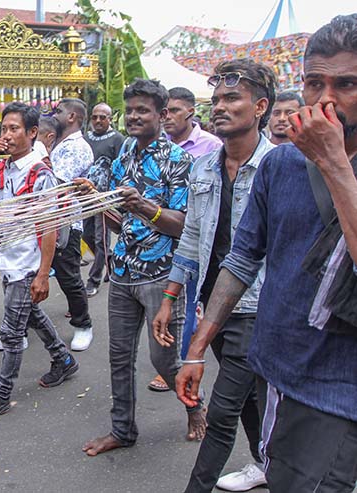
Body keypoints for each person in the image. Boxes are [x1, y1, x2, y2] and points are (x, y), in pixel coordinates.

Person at [177, 15, 357, 492]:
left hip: (341, 389)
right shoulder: (280, 165)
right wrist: (196, 348)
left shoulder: (325, 162)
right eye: (315, 82)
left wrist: (335, 163)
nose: (326, 100)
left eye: (346, 84)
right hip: (277, 367)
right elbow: (241, 259)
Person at [153, 60, 277, 493]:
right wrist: (170, 296)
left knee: (221, 414)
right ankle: (267, 463)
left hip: (257, 308)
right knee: (245, 401)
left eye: (232, 99)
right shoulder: (203, 168)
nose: (220, 107)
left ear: (260, 106)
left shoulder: (278, 167)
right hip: (211, 304)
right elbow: (192, 237)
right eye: (217, 99)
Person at [78, 79, 205, 458]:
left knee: (164, 358)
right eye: (129, 109)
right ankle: (123, 430)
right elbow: (122, 220)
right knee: (119, 356)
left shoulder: (180, 161)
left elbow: (182, 224)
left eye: (142, 110)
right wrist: (97, 202)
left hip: (163, 276)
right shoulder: (125, 154)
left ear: (162, 115)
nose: (133, 116)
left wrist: (143, 206)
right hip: (122, 273)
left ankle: (195, 408)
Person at [0, 102, 78, 423]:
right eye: (3, 129)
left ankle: (1, 392)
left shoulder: (40, 174)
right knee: (33, 315)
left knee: (12, 333)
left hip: (28, 265)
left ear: (32, 133)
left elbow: (49, 227)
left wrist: (43, 274)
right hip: (9, 261)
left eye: (14, 129)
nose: (7, 135)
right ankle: (63, 361)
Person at [149, 87, 224, 393]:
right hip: (172, 238)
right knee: (179, 303)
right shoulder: (159, 147)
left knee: (195, 303)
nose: (167, 118)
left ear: (191, 112)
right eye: (164, 112)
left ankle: (187, 363)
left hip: (206, 238)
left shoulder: (211, 147)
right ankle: (178, 364)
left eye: (174, 111)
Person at [50, 98, 95, 351]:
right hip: (45, 219)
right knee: (25, 275)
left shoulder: (77, 147)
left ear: (72, 117)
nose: (54, 115)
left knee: (68, 276)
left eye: (59, 111)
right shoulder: (58, 143)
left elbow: (58, 183)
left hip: (65, 221)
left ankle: (83, 325)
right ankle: (14, 330)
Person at [83, 103, 126, 298]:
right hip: (85, 197)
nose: (98, 121)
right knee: (87, 235)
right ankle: (112, 260)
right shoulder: (86, 139)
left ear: (110, 119)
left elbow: (122, 167)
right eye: (95, 117)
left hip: (104, 198)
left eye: (103, 117)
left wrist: (116, 196)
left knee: (101, 239)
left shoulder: (117, 139)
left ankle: (93, 280)